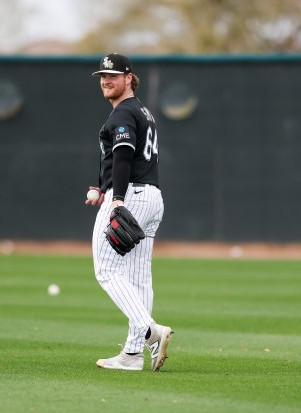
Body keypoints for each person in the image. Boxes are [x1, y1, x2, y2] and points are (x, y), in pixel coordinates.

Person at [85, 53, 173, 372]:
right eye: (102, 77)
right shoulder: (142, 111)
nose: (106, 81)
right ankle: (133, 355)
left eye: (113, 76)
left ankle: (150, 331)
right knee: (137, 276)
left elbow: (123, 156)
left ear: (129, 78)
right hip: (152, 196)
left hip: (130, 195)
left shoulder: (123, 112)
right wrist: (100, 185)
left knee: (106, 270)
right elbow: (117, 158)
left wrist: (117, 198)